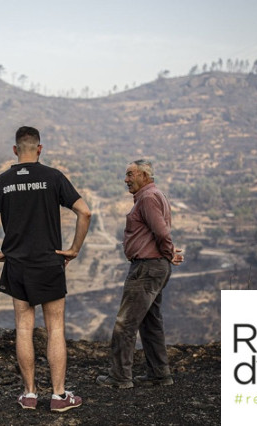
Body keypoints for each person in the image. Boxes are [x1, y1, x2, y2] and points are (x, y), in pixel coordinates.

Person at [0, 126, 91, 412]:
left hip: (17, 264)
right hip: (49, 262)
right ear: (39, 149)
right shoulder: (53, 177)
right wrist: (74, 248)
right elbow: (85, 211)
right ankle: (59, 397)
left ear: (14, 150)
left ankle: (30, 394)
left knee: (24, 327)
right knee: (55, 328)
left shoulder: (2, 182)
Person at [96, 159, 184, 389]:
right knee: (150, 321)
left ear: (145, 175)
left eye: (130, 174)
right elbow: (160, 234)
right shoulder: (156, 195)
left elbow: (162, 233)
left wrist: (167, 253)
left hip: (146, 268)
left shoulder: (146, 198)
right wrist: (168, 254)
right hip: (155, 266)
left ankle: (119, 377)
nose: (126, 180)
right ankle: (159, 374)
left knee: (125, 323)